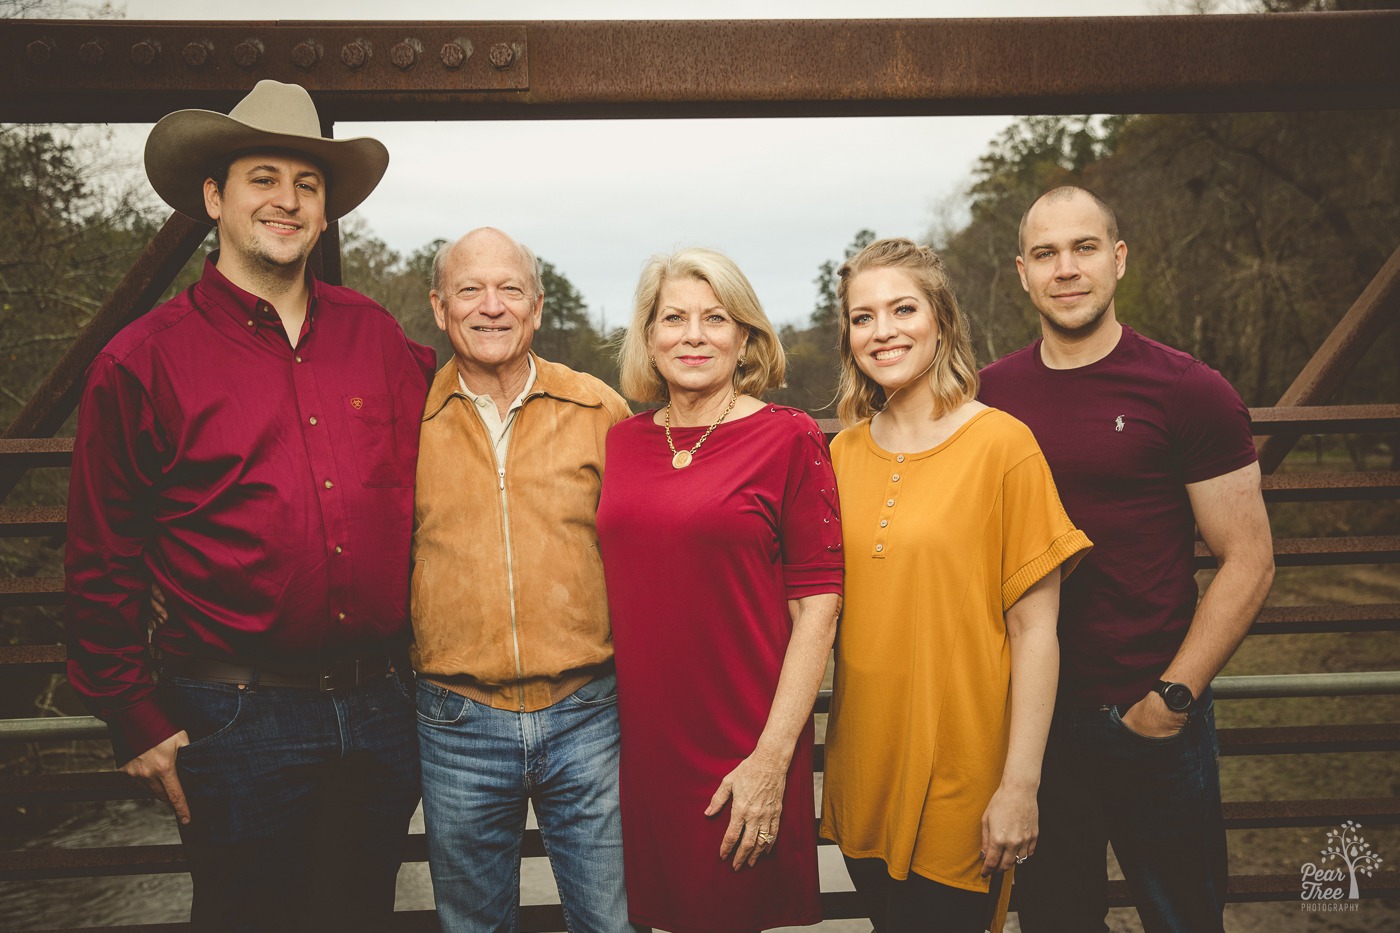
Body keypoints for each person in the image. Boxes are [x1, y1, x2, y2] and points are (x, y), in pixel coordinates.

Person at [65, 80, 434, 932]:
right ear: (213, 198)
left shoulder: (376, 336)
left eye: (307, 184)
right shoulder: (143, 361)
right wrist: (133, 713)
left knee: (362, 915)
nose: (287, 200)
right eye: (262, 177)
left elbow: (477, 421)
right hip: (234, 712)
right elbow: (102, 551)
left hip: (383, 705)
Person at [978, 186, 1275, 932]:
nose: (1065, 268)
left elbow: (1250, 559)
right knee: (1056, 921)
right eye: (1045, 253)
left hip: (1151, 714)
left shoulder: (1188, 389)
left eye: (1083, 248)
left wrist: (1172, 699)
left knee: (1184, 917)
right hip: (1033, 728)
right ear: (1022, 271)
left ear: (1118, 259)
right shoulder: (987, 397)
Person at [819, 238, 1091, 933]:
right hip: (863, 770)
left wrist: (1020, 785)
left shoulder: (1004, 445)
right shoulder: (841, 453)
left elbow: (1037, 631)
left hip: (963, 780)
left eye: (903, 309)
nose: (883, 331)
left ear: (940, 319)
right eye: (863, 316)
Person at [596, 247, 844, 933]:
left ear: (746, 337)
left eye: (716, 317)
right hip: (642, 751)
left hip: (744, 740)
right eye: (673, 317)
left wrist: (770, 760)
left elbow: (818, 611)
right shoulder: (623, 442)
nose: (693, 334)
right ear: (649, 337)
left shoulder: (788, 437)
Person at [410, 227, 634, 932]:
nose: (491, 306)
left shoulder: (599, 409)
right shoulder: (404, 416)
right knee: (474, 925)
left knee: (613, 920)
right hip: (457, 719)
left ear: (537, 307)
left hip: (587, 710)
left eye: (510, 289)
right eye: (470, 290)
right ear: (440, 308)